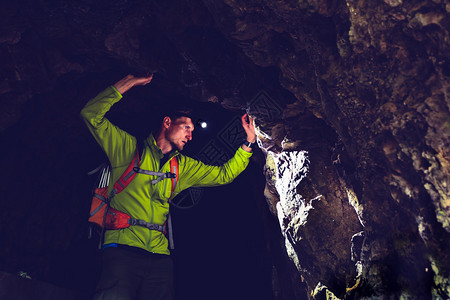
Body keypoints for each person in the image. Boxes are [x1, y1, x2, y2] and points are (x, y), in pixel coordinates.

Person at [81, 74, 256, 300]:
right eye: (186, 127)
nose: (190, 136)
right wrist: (129, 82)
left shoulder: (182, 167)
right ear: (167, 123)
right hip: (121, 250)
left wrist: (248, 142)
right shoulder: (127, 149)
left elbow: (224, 174)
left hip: (159, 256)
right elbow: (91, 115)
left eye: (192, 131)